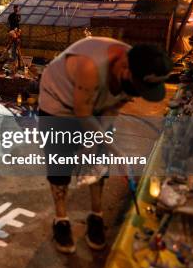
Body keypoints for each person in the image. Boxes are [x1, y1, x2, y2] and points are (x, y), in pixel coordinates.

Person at [38, 37, 173, 254]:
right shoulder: (91, 67)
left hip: (94, 103)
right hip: (59, 103)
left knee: (99, 163)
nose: (135, 93)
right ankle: (61, 219)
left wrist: (101, 145)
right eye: (137, 87)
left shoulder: (138, 64)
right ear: (125, 67)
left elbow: (111, 110)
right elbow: (83, 113)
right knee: (60, 164)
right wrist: (116, 151)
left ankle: (96, 215)